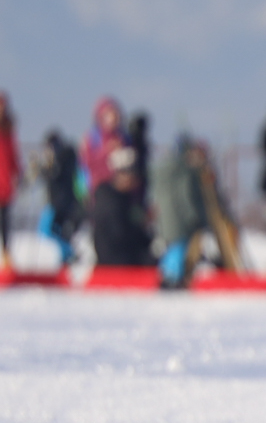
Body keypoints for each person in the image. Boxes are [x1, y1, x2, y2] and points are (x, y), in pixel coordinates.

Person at [83, 97, 149, 266]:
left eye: (115, 114)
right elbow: (88, 165)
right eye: (108, 115)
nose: (113, 119)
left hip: (125, 197)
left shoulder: (124, 138)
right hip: (103, 196)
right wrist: (107, 154)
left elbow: (134, 168)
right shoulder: (93, 139)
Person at [151, 135, 210, 287]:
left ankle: (167, 275)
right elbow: (186, 196)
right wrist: (194, 217)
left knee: (171, 247)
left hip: (166, 217)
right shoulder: (184, 171)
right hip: (179, 219)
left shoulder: (165, 170)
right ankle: (173, 278)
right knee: (179, 247)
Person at [35, 129, 83, 265]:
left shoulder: (61, 159)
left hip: (58, 204)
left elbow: (54, 176)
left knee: (46, 230)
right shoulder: (68, 159)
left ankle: (69, 252)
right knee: (58, 232)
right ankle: (66, 256)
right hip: (63, 203)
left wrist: (42, 169)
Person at [0, 91, 18, 271]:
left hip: (4, 184)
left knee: (5, 223)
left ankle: (6, 255)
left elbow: (13, 155)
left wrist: (17, 173)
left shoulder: (8, 130)